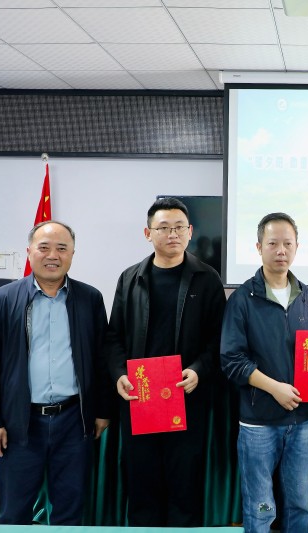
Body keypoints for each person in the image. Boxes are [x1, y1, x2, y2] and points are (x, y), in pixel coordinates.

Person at [0, 221, 110, 525]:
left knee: (70, 512)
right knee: (14, 513)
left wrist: (101, 410)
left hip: (73, 421)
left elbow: (101, 359)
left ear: (72, 254)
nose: (53, 255)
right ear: (29, 251)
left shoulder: (90, 299)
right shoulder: (1, 300)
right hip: (19, 423)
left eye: (62, 248)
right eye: (44, 247)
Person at [105, 197, 226, 527]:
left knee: (184, 486)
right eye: (163, 228)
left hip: (186, 398)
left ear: (190, 232)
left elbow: (220, 339)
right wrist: (119, 374)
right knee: (142, 486)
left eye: (179, 227)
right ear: (148, 233)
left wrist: (199, 370)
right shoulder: (130, 279)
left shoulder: (207, 278)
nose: (172, 234)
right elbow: (114, 337)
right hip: (140, 397)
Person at [220, 212, 308, 533]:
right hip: (258, 422)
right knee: (261, 507)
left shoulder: (306, 296)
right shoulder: (242, 299)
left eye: (288, 243)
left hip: (301, 422)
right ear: (259, 247)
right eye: (273, 243)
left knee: (299, 505)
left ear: (297, 247)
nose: (281, 250)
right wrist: (274, 388)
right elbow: (231, 360)